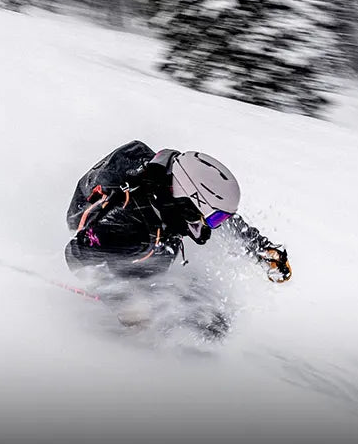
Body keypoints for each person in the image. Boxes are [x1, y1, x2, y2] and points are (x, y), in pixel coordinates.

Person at [64, 140, 291, 336]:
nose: (214, 226)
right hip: (123, 266)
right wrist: (124, 303)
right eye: (215, 218)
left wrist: (260, 248)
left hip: (154, 250)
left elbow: (225, 219)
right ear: (189, 203)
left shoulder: (173, 199)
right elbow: (77, 254)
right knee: (194, 319)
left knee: (212, 316)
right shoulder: (128, 219)